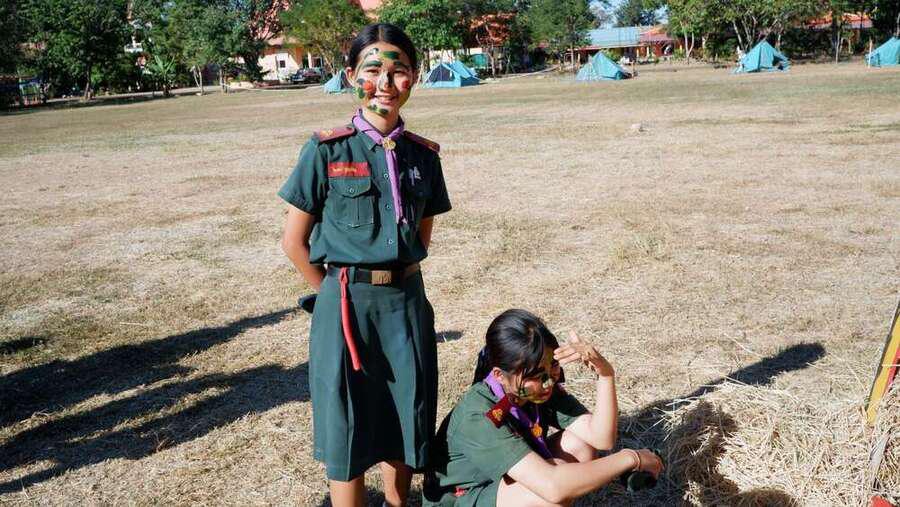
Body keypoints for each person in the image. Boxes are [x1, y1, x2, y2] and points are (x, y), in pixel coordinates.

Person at [278, 23, 452, 507]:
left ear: (415, 76)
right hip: (345, 305)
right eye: (372, 70)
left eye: (399, 71)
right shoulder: (326, 150)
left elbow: (420, 239)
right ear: (351, 75)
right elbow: (294, 242)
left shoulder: (424, 156)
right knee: (346, 430)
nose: (385, 83)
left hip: (406, 303)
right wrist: (332, 294)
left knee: (406, 417)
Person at [423, 309, 663, 506]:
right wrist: (630, 458)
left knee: (580, 445)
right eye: (537, 375)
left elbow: (601, 438)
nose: (549, 382)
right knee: (548, 495)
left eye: (553, 367)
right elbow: (553, 487)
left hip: (499, 484)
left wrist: (605, 374)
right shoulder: (478, 416)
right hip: (462, 498)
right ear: (499, 375)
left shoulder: (536, 386)